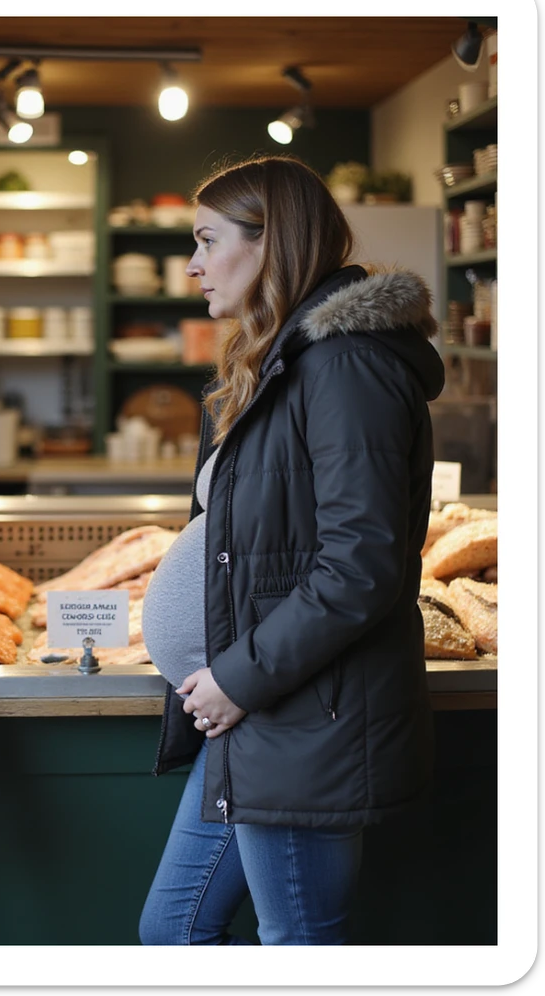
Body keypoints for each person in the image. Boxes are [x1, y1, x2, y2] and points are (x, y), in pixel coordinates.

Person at [138, 155, 444, 946]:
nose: (194, 264)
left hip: (303, 715)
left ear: (271, 242)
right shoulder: (281, 359)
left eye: (208, 240)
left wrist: (235, 676)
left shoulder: (348, 363)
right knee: (172, 932)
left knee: (299, 945)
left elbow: (363, 563)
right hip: (255, 717)